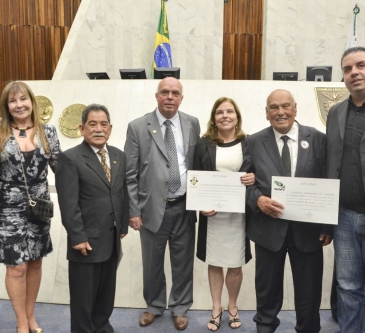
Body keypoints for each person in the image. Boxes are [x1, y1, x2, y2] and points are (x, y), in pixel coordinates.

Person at [244, 89, 332, 333]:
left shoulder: (318, 139)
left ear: (295, 108)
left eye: (285, 106)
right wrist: (258, 199)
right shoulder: (252, 141)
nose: (280, 112)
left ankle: (308, 328)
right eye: (274, 107)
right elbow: (243, 182)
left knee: (309, 290)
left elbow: (328, 181)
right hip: (268, 230)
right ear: (266, 113)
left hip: (309, 231)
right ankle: (265, 327)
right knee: (267, 288)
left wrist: (327, 226)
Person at [125, 77, 200, 330]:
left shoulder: (192, 123)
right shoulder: (137, 127)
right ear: (156, 96)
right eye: (165, 92)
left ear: (181, 98)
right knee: (152, 263)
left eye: (175, 93)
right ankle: (154, 305)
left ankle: (180, 307)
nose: (170, 97)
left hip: (184, 206)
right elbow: (130, 174)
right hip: (151, 209)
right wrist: (133, 210)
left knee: (183, 262)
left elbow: (197, 164)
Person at [0, 81, 61, 333]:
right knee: (16, 265)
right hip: (8, 207)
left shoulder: (49, 132)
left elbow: (61, 170)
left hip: (40, 205)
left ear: (32, 102)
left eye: (23, 99)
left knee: (34, 261)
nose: (19, 104)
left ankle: (31, 316)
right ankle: (21, 322)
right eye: (13, 101)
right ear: (6, 106)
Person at [56, 104, 128, 333]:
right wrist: (77, 237)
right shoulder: (70, 159)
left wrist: (122, 224)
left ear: (110, 128)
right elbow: (68, 204)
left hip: (111, 238)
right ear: (82, 128)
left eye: (103, 124)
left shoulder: (118, 155)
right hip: (85, 242)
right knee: (83, 300)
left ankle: (102, 327)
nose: (99, 129)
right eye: (92, 124)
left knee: (106, 295)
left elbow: (121, 192)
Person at [194, 97, 254, 331]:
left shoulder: (248, 143)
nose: (225, 115)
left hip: (239, 216)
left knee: (236, 263)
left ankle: (233, 306)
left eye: (230, 111)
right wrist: (200, 205)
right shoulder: (204, 144)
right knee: (215, 261)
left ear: (237, 116)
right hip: (213, 215)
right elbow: (195, 176)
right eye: (219, 112)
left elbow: (258, 169)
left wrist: (255, 177)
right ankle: (216, 308)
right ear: (214, 118)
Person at [326, 46, 365, 332]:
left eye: (361, 65)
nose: (355, 72)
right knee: (348, 286)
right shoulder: (336, 112)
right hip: (345, 216)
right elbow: (331, 163)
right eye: (348, 69)